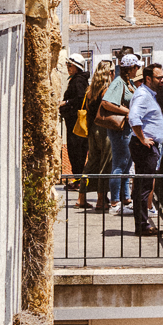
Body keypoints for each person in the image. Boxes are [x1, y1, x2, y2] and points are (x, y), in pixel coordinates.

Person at [129, 62, 163, 236]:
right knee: (144, 187)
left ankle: (142, 223)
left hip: (146, 146)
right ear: (148, 78)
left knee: (142, 187)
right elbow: (133, 117)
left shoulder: (148, 94)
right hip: (145, 148)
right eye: (159, 78)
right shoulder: (143, 95)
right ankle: (142, 225)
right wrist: (142, 138)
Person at [99, 53, 140, 212]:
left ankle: (125, 198)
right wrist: (126, 111)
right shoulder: (118, 83)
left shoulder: (127, 82)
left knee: (127, 163)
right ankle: (115, 202)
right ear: (130, 68)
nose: (138, 70)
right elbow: (106, 102)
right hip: (120, 130)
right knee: (119, 164)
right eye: (136, 67)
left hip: (127, 129)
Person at [79, 59, 118, 209]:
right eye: (113, 71)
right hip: (104, 129)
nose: (115, 74)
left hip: (92, 129)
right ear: (109, 73)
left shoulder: (90, 91)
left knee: (91, 163)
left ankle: (81, 198)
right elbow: (110, 107)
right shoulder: (107, 90)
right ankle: (101, 200)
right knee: (106, 164)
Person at [59, 56, 90, 175]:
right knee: (77, 151)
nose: (68, 67)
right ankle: (78, 179)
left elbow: (80, 98)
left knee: (76, 150)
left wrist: (66, 102)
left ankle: (78, 180)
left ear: (76, 67)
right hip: (74, 121)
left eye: (69, 65)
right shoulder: (78, 79)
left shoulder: (78, 80)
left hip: (75, 121)